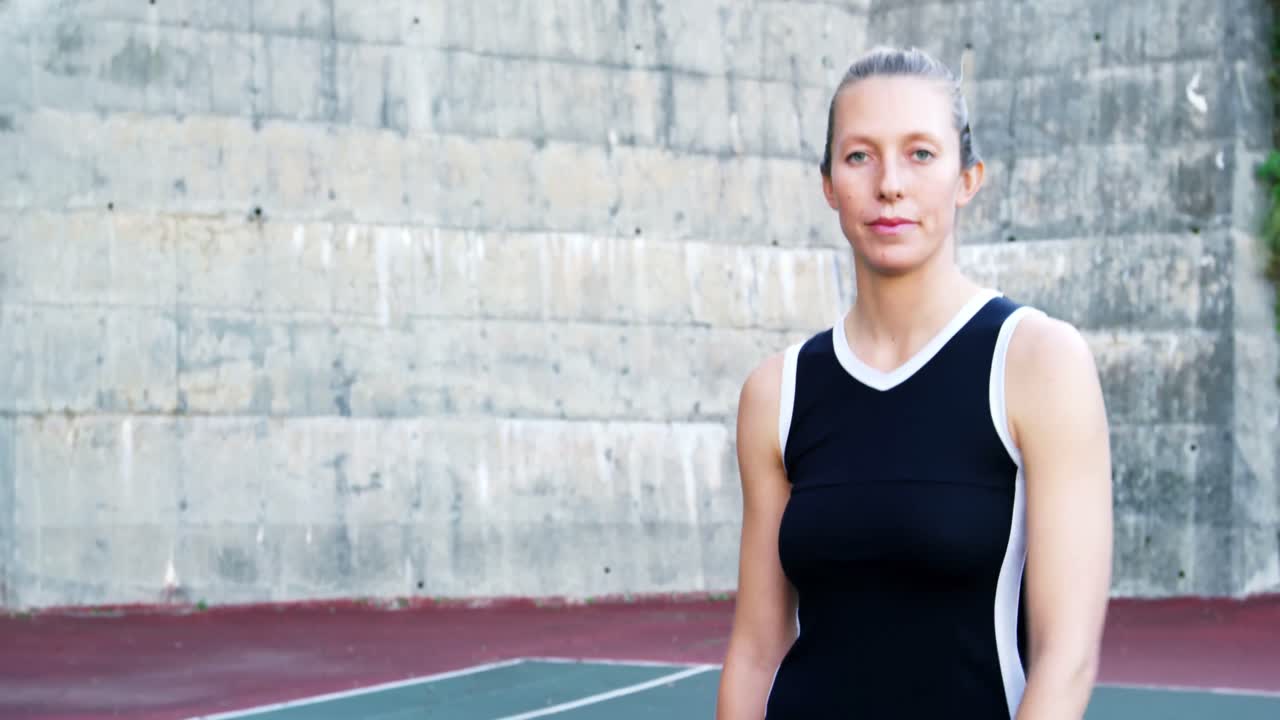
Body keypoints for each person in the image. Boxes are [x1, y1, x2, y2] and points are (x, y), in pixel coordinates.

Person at [715, 46, 1113, 719]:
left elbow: (1064, 657)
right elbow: (757, 649)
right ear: (828, 183)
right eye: (859, 156)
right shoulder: (775, 393)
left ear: (968, 178)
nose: (889, 183)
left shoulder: (1038, 362)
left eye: (921, 153)